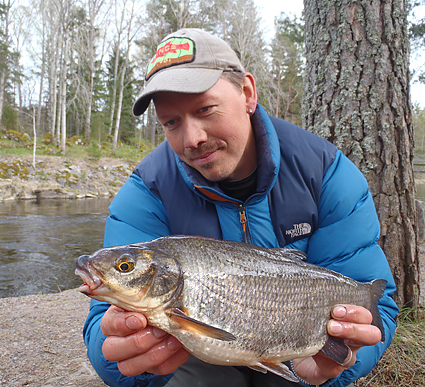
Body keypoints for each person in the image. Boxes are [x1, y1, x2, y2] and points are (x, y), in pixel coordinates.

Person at [82, 28, 398, 387]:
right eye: (171, 122)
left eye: (206, 110)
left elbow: (377, 304)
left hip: (295, 350)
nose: (192, 139)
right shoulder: (144, 192)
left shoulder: (326, 174)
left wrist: (332, 367)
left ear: (247, 93)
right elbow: (101, 329)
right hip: (195, 355)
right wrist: (128, 357)